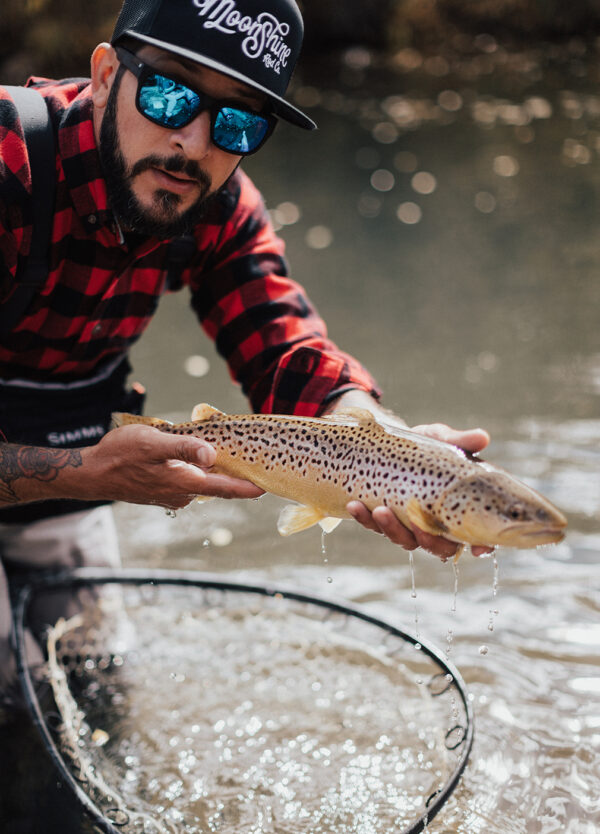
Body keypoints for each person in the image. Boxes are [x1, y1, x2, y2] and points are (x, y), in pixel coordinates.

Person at [0, 0, 491, 700]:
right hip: (80, 463)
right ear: (106, 75)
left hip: (75, 451)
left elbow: (282, 346)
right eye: (170, 95)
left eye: (237, 122)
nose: (195, 144)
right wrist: (84, 473)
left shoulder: (213, 201)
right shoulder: (7, 165)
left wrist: (387, 444)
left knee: (97, 688)